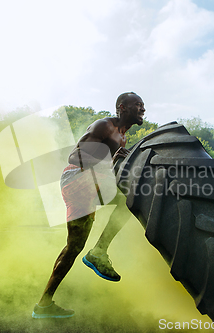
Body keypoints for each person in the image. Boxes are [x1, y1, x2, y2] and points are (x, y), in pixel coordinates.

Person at [32, 92, 146, 319]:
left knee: (74, 247)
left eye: (143, 105)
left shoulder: (123, 138)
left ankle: (43, 305)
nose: (143, 108)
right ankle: (99, 252)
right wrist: (110, 162)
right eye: (137, 105)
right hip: (77, 178)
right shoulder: (104, 126)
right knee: (129, 198)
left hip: (90, 186)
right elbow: (75, 157)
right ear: (122, 107)